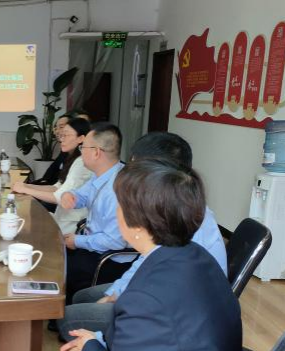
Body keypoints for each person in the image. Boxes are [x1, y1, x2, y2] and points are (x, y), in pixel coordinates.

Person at [46, 159, 246, 351]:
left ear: (139, 226)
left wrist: (89, 347)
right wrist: (97, 343)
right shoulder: (197, 255)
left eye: (119, 205)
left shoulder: (146, 300)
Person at [58, 132, 228, 339]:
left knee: (68, 319)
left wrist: (99, 339)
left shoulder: (182, 221)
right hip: (157, 296)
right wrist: (116, 293)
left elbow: (159, 307)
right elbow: (147, 260)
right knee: (82, 297)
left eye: (135, 167)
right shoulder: (167, 206)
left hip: (175, 317)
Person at [60, 122, 130, 304]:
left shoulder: (118, 188)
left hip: (110, 259)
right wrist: (70, 195)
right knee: (56, 257)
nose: (80, 151)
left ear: (96, 152)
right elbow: (82, 195)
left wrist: (77, 241)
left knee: (60, 271)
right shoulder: (101, 174)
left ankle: (67, 316)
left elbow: (115, 241)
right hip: (93, 245)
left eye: (83, 147)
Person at [12, 118, 92, 234]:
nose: (61, 139)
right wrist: (27, 186)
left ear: (81, 138)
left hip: (72, 224)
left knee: (25, 225)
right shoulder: (72, 158)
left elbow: (58, 197)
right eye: (61, 135)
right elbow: (56, 187)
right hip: (63, 217)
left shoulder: (81, 163)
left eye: (66, 135)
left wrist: (26, 190)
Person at [29, 114, 71, 188]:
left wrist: (29, 188)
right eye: (56, 128)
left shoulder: (77, 157)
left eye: (61, 127)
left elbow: (60, 188)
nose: (57, 131)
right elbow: (48, 177)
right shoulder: (64, 152)